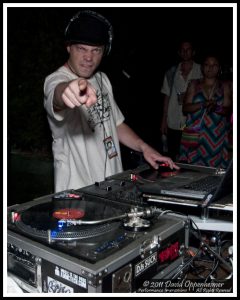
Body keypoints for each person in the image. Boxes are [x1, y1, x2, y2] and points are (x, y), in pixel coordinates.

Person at [44, 10, 178, 192]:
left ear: (104, 51)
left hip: (113, 188)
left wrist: (144, 147)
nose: (89, 58)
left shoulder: (102, 79)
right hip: (77, 195)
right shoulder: (55, 80)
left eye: (96, 50)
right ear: (68, 47)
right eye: (81, 49)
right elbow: (57, 95)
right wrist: (67, 91)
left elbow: (116, 123)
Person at [178, 53, 232, 168]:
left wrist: (216, 107)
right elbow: (185, 108)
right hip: (195, 137)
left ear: (219, 68)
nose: (210, 67)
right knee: (192, 174)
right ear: (202, 67)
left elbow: (228, 111)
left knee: (215, 175)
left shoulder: (225, 85)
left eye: (214, 65)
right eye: (207, 64)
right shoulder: (194, 84)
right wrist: (202, 104)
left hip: (216, 138)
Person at [160, 40, 202, 161]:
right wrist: (163, 120)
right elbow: (167, 96)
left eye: (188, 49)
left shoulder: (201, 70)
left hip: (193, 122)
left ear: (193, 52)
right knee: (173, 156)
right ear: (179, 52)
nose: (185, 52)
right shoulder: (171, 72)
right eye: (182, 50)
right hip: (173, 121)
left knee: (191, 157)